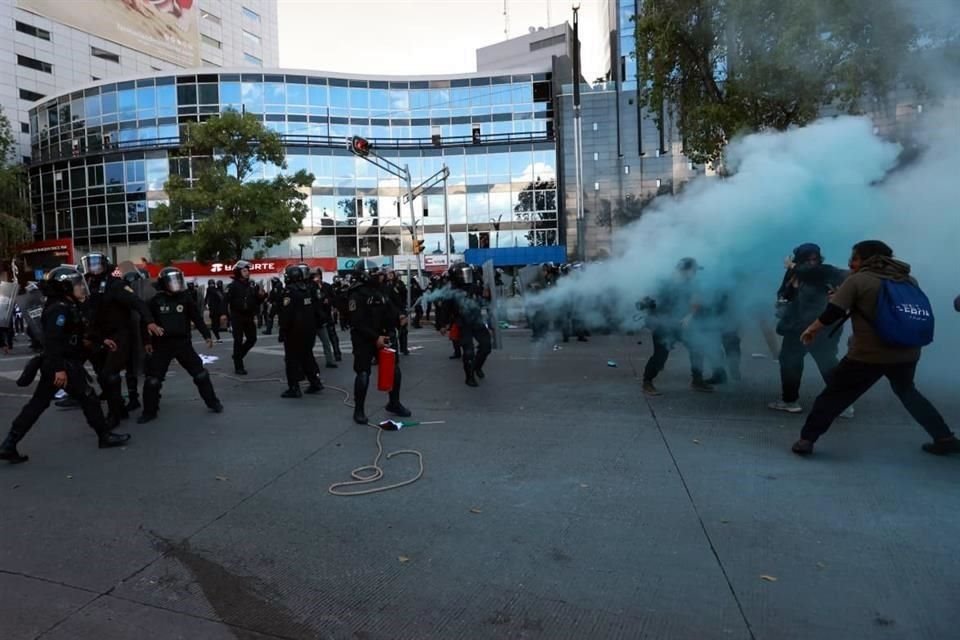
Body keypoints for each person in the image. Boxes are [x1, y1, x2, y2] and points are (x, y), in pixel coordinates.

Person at [791, 241, 957, 456]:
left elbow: (833, 312)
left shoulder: (858, 280)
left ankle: (806, 440)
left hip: (868, 354)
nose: (851, 262)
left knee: (833, 396)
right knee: (908, 392)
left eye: (855, 258)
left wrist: (812, 329)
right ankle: (944, 437)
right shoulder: (908, 279)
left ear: (867, 259)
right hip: (907, 351)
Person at [0, 266, 130, 463]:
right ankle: (104, 436)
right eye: (77, 285)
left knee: (37, 404)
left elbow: (77, 334)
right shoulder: (59, 309)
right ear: (65, 287)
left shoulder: (67, 305)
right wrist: (60, 370)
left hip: (58, 363)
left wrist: (99, 341)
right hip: (62, 364)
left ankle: (9, 444)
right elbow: (53, 341)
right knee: (88, 397)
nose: (81, 288)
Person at [81, 252, 163, 426]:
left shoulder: (115, 285)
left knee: (110, 375)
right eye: (90, 264)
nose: (93, 268)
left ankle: (115, 414)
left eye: (97, 264)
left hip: (119, 335)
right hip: (100, 337)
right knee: (103, 376)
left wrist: (149, 322)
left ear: (105, 265)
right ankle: (120, 408)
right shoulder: (88, 286)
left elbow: (137, 302)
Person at [769, 244, 850, 414]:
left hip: (821, 326)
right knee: (790, 361)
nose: (811, 263)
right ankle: (790, 400)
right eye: (807, 259)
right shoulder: (794, 274)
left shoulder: (826, 272)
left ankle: (843, 403)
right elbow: (784, 293)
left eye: (814, 259)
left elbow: (843, 280)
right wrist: (783, 301)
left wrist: (794, 267)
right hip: (796, 326)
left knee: (826, 362)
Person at [138, 268, 223, 423]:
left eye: (178, 280)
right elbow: (146, 322)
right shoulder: (155, 301)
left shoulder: (185, 298)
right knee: (153, 380)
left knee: (200, 374)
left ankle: (213, 403)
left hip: (183, 343)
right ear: (164, 283)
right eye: (172, 281)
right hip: (161, 345)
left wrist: (206, 335)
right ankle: (149, 412)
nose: (176, 284)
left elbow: (196, 317)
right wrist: (147, 342)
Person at [347, 259, 410, 424]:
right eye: (375, 274)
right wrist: (375, 338)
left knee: (394, 370)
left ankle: (394, 403)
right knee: (363, 373)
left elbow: (389, 309)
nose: (379, 276)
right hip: (364, 339)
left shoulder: (382, 290)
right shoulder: (356, 294)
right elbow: (357, 322)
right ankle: (358, 410)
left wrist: (399, 317)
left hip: (384, 335)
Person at [641, 258, 713, 395]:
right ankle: (647, 382)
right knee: (660, 356)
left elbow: (696, 300)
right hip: (663, 325)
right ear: (685, 270)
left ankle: (697, 381)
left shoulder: (692, 283)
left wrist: (689, 316)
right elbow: (647, 299)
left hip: (682, 324)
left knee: (697, 349)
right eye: (693, 270)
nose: (695, 273)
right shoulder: (664, 283)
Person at [439, 262, 492, 387]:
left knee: (486, 347)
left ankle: (477, 367)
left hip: (477, 321)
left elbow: (485, 300)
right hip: (463, 323)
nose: (466, 276)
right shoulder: (450, 291)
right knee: (468, 352)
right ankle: (469, 377)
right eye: (463, 273)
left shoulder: (474, 287)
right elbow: (444, 310)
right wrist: (443, 324)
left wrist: (487, 295)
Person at [278, 265, 324, 398]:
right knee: (307, 357)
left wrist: (283, 330)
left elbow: (286, 314)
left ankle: (294, 388)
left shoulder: (289, 292)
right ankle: (315, 382)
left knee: (291, 360)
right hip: (309, 330)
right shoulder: (308, 289)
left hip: (294, 332)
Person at [222, 260, 265, 375]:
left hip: (249, 316)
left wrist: (262, 295)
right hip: (237, 316)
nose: (247, 273)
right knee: (238, 340)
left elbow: (258, 300)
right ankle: (238, 366)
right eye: (244, 271)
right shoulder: (232, 286)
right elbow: (225, 301)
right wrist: (224, 314)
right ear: (238, 272)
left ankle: (238, 355)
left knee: (252, 338)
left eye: (248, 271)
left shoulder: (252, 285)